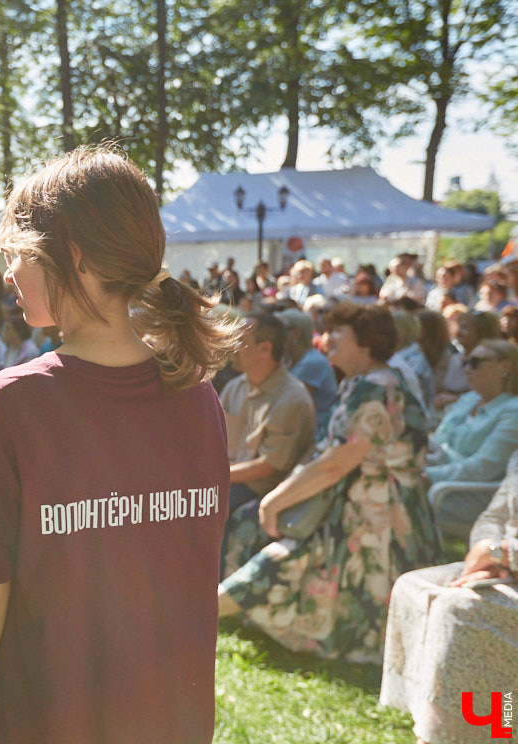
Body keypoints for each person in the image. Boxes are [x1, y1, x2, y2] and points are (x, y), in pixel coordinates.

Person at [0, 147, 238, 743]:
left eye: (17, 253)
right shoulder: (198, 395)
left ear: (74, 256)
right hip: (171, 716)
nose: (7, 274)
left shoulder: (4, 404)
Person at [218, 303, 440, 663]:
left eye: (339, 332)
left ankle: (201, 611)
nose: (327, 338)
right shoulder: (364, 383)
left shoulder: (376, 389)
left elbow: (335, 464)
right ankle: (231, 610)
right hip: (354, 500)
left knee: (283, 555)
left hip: (374, 515)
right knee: (252, 525)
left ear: (367, 342)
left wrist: (275, 501)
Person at [380, 470, 518, 744]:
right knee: (414, 586)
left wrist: (504, 554)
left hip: (509, 562)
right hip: (505, 568)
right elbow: (492, 518)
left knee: (458, 608)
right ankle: (439, 719)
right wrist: (489, 553)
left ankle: (481, 730)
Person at [221, 311, 317, 511]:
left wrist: (214, 475)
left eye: (239, 340)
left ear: (265, 349)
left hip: (261, 493)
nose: (231, 346)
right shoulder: (235, 387)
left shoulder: (292, 399)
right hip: (229, 480)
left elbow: (269, 466)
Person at [425, 338, 518, 535]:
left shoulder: (513, 411)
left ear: (505, 367)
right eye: (465, 362)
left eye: (475, 363)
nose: (467, 369)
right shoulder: (470, 398)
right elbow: (438, 441)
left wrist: (428, 476)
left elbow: (483, 468)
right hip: (438, 476)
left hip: (470, 492)